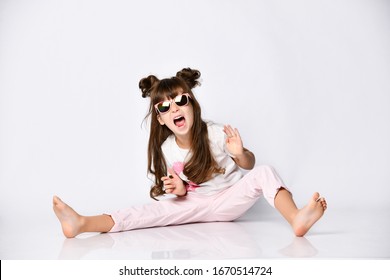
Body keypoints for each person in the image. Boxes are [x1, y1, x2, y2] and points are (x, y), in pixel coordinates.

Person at [53, 67, 327, 238]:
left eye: (180, 100)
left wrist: (240, 153)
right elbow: (183, 187)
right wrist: (178, 190)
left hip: (227, 201)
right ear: (160, 119)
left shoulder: (216, 133)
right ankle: (81, 223)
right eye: (164, 107)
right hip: (194, 204)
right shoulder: (166, 148)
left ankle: (296, 218)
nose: (174, 108)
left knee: (265, 171)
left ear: (192, 105)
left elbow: (248, 164)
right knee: (144, 213)